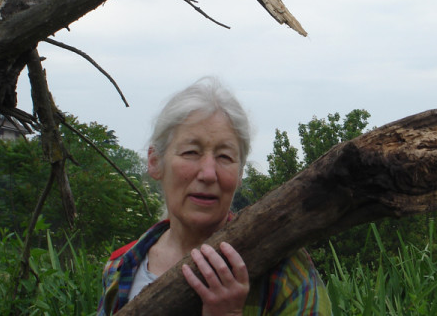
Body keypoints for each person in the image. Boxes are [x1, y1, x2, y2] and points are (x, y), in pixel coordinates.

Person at [97, 77, 332, 316]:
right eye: (191, 152)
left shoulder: (284, 273)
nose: (209, 174)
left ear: (240, 173)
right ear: (155, 162)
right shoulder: (121, 268)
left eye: (224, 157)